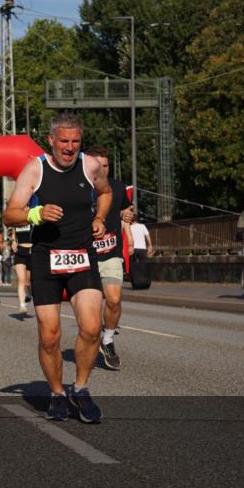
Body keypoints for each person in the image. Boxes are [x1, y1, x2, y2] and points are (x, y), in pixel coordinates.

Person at [3, 111, 112, 423]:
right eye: (63, 141)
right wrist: (36, 214)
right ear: (51, 141)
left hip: (81, 254)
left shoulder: (90, 165)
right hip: (46, 258)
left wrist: (99, 217)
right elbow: (10, 215)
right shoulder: (35, 169)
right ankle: (56, 393)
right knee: (50, 335)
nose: (69, 147)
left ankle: (80, 387)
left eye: (75, 141)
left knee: (91, 328)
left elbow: (105, 193)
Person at [84, 145, 134, 370]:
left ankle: (108, 340)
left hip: (111, 254)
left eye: (105, 166)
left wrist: (127, 215)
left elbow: (127, 210)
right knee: (92, 313)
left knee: (113, 300)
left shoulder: (118, 187)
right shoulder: (79, 186)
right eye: (97, 165)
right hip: (86, 255)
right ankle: (92, 340)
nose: (101, 170)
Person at [10, 225, 34, 316]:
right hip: (20, 251)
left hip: (31, 251)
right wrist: (13, 242)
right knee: (21, 280)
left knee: (28, 283)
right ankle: (22, 305)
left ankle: (29, 295)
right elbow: (13, 234)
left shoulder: (32, 220)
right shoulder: (16, 222)